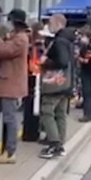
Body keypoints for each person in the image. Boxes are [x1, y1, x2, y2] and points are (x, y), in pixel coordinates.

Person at [0, 9, 29, 164]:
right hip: (5, 81)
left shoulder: (21, 39)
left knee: (10, 119)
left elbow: (5, 50)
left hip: (11, 84)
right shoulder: (16, 37)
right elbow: (4, 53)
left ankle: (10, 152)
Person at [38, 14, 75, 159]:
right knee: (60, 113)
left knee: (47, 111)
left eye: (51, 23)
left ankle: (54, 144)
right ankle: (59, 143)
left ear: (59, 23)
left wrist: (45, 62)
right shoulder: (68, 40)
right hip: (66, 82)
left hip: (55, 82)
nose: (49, 25)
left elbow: (62, 62)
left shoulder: (59, 41)